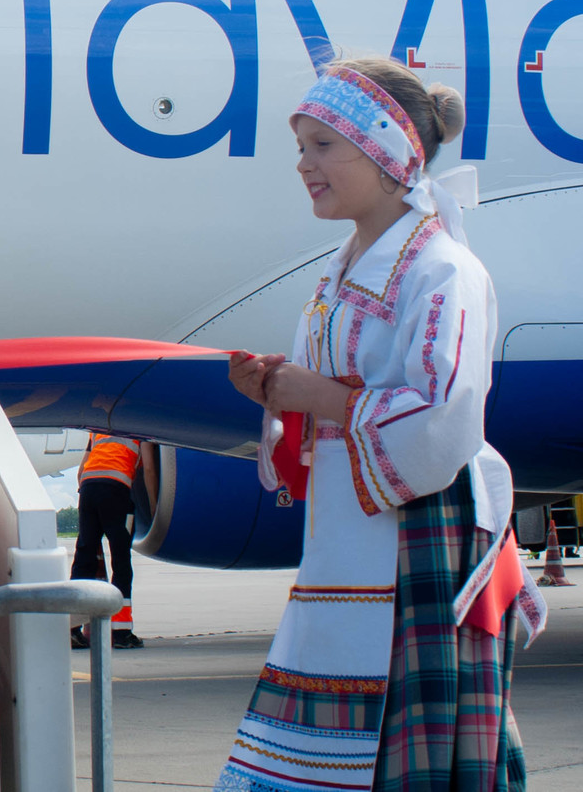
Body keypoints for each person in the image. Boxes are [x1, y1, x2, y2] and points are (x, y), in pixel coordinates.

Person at [222, 57, 544, 792]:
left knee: (402, 752)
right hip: (350, 540)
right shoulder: (337, 276)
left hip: (416, 531)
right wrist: (277, 394)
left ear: (387, 151)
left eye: (322, 145)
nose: (303, 165)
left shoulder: (443, 269)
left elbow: (445, 415)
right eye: (301, 147)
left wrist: (323, 397)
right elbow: (332, 409)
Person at [69, 431, 155, 650]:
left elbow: (81, 470)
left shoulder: (97, 431)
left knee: (84, 557)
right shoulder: (139, 426)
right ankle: (121, 633)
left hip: (88, 487)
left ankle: (71, 629)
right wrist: (154, 508)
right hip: (115, 490)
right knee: (121, 560)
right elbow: (149, 468)